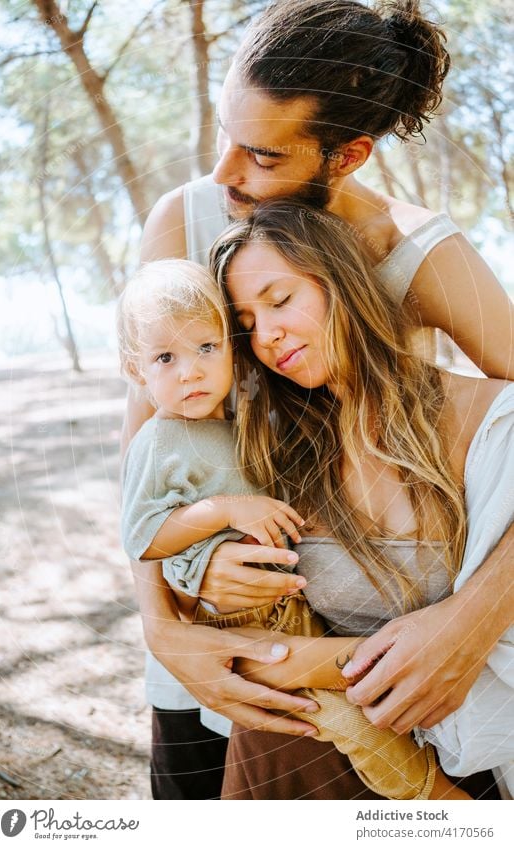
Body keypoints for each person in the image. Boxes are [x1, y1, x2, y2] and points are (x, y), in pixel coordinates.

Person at [126, 0, 514, 798]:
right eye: (223, 133)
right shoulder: (188, 218)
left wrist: (472, 617)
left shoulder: (418, 253)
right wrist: (164, 628)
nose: (226, 172)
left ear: (347, 155)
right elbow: (144, 438)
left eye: (264, 155)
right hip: (211, 629)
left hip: (365, 651)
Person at [117, 257, 474, 800]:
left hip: (289, 606)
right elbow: (142, 537)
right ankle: (441, 801)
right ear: (136, 371)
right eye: (165, 357)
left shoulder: (239, 420)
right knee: (352, 718)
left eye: (206, 349)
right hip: (239, 617)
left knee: (369, 692)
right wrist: (224, 513)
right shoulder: (159, 441)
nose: (189, 371)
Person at [203, 197, 513, 799]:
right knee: (271, 741)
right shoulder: (276, 458)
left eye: (280, 300)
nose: (267, 336)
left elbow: (499, 639)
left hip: (465, 766)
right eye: (247, 323)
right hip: (323, 748)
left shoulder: (488, 422)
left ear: (341, 282)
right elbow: (243, 649)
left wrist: (302, 664)